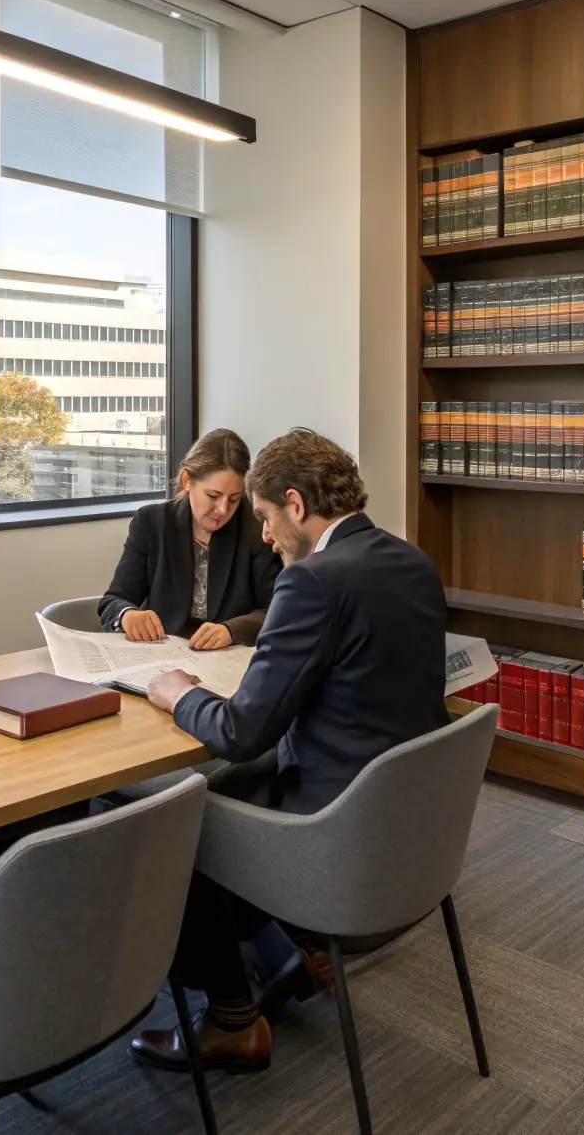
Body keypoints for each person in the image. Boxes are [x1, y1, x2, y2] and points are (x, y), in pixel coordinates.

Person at [129, 428, 449, 1074]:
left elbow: (242, 728)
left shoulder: (312, 583)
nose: (267, 538)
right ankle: (285, 953)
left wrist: (176, 693)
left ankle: (232, 1019)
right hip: (409, 829)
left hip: (333, 835)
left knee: (180, 809)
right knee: (230, 782)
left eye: (269, 520)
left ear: (296, 504)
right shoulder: (413, 561)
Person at [98, 428, 280, 649]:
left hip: (227, 658)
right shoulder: (151, 523)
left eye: (234, 499)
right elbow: (113, 601)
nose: (222, 510)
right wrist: (127, 614)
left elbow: (274, 610)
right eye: (213, 496)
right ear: (187, 480)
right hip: (160, 654)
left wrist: (231, 630)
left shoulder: (257, 530)